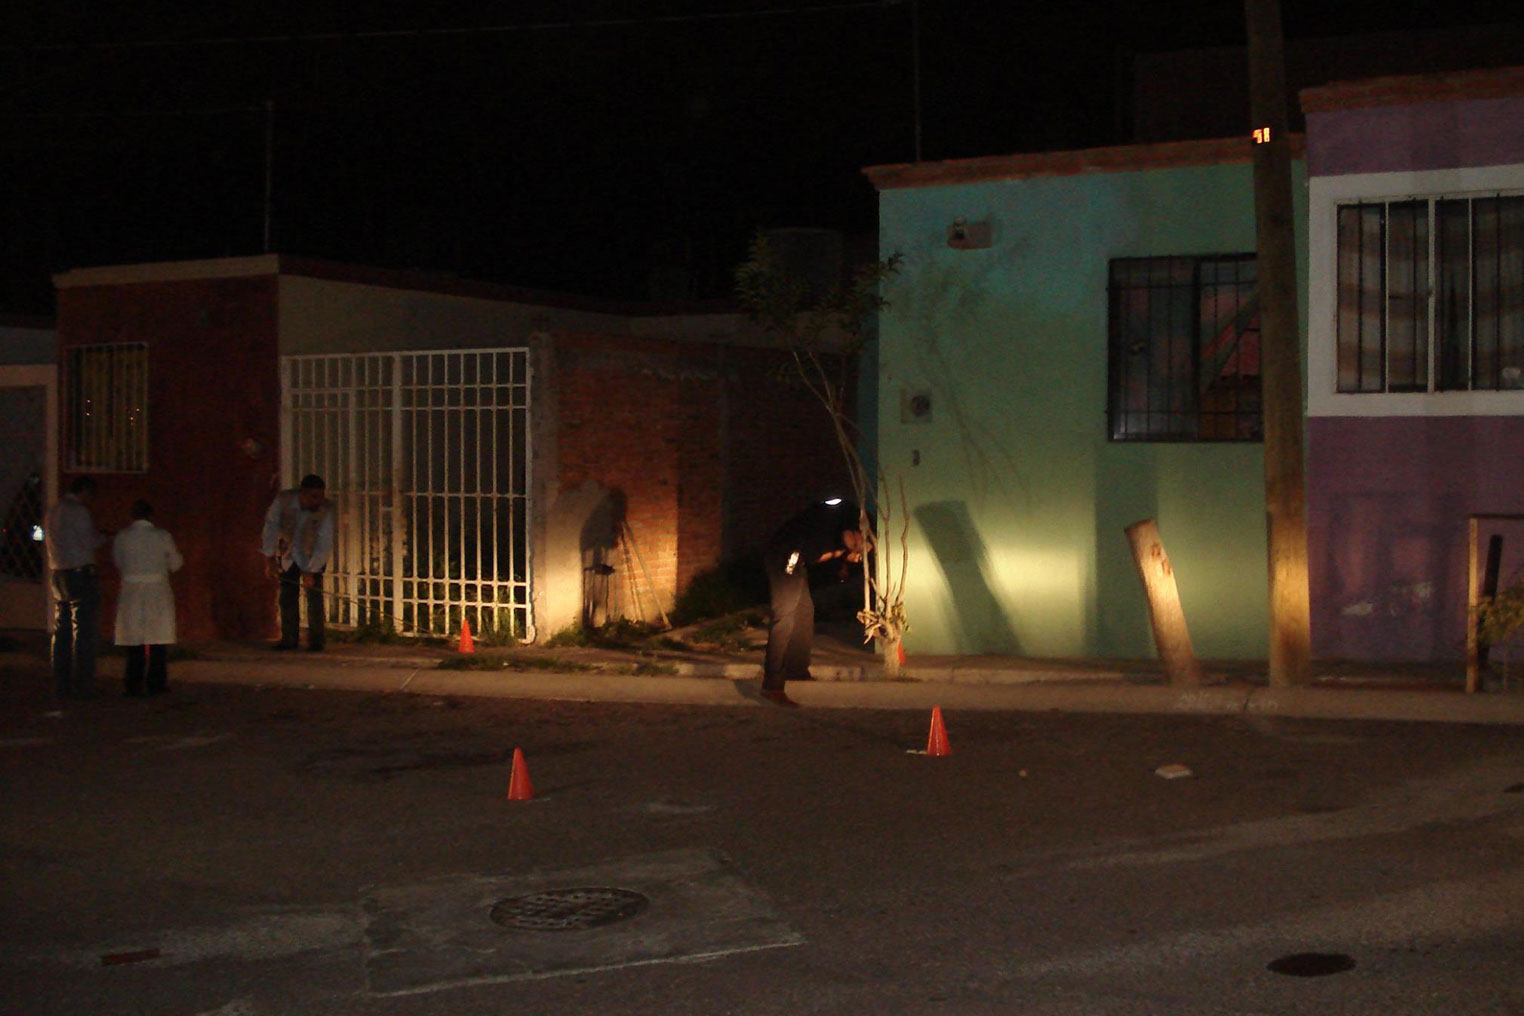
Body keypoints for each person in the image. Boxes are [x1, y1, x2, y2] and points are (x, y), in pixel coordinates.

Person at [761, 499, 868, 706]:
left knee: (804, 613)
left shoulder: (840, 529)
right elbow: (813, 556)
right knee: (784, 617)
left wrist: (845, 555)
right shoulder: (828, 528)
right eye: (857, 544)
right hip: (784, 558)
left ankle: (797, 670)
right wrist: (840, 554)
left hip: (797, 560)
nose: (858, 548)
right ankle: (772, 685)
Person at [112, 500, 184, 697]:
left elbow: (118, 562)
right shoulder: (162, 536)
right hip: (157, 591)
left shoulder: (122, 537)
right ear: (151, 516)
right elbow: (176, 563)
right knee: (158, 639)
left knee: (134, 641)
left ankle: (133, 684)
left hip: (131, 591)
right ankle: (156, 683)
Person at [45, 476, 106, 700]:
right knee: (84, 630)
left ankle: (61, 682)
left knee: (61, 630)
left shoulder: (53, 511)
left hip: (58, 572)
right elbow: (88, 541)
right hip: (80, 572)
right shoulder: (79, 511)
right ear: (85, 491)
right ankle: (84, 683)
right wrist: (103, 537)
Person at [260, 474, 335, 651]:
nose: (318, 501)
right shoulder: (283, 502)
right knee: (287, 596)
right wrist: (269, 558)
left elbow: (324, 543)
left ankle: (316, 641)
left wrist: (311, 571)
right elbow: (270, 527)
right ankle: (289, 639)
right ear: (303, 494)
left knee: (314, 597)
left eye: (321, 496)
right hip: (289, 553)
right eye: (314, 496)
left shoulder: (326, 510)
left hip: (313, 555)